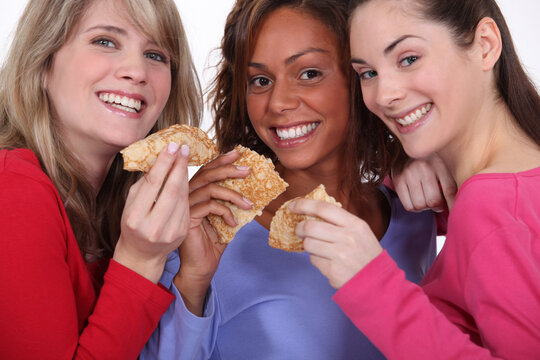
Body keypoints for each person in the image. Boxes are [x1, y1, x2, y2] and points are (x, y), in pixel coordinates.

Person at [141, 0, 446, 358]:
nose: (278, 103)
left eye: (309, 73)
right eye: (260, 80)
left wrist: (416, 155)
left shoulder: (415, 213)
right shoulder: (208, 231)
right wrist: (192, 281)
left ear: (361, 75)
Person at [292, 0, 540, 358]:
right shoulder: (503, 182)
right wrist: (406, 162)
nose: (384, 95)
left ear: (485, 44)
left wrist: (372, 283)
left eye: (408, 59)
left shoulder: (490, 206)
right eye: (367, 73)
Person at [0, 0, 202, 358]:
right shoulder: (13, 188)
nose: (137, 71)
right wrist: (140, 261)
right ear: (43, 63)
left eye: (156, 54)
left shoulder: (123, 210)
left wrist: (193, 273)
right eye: (105, 41)